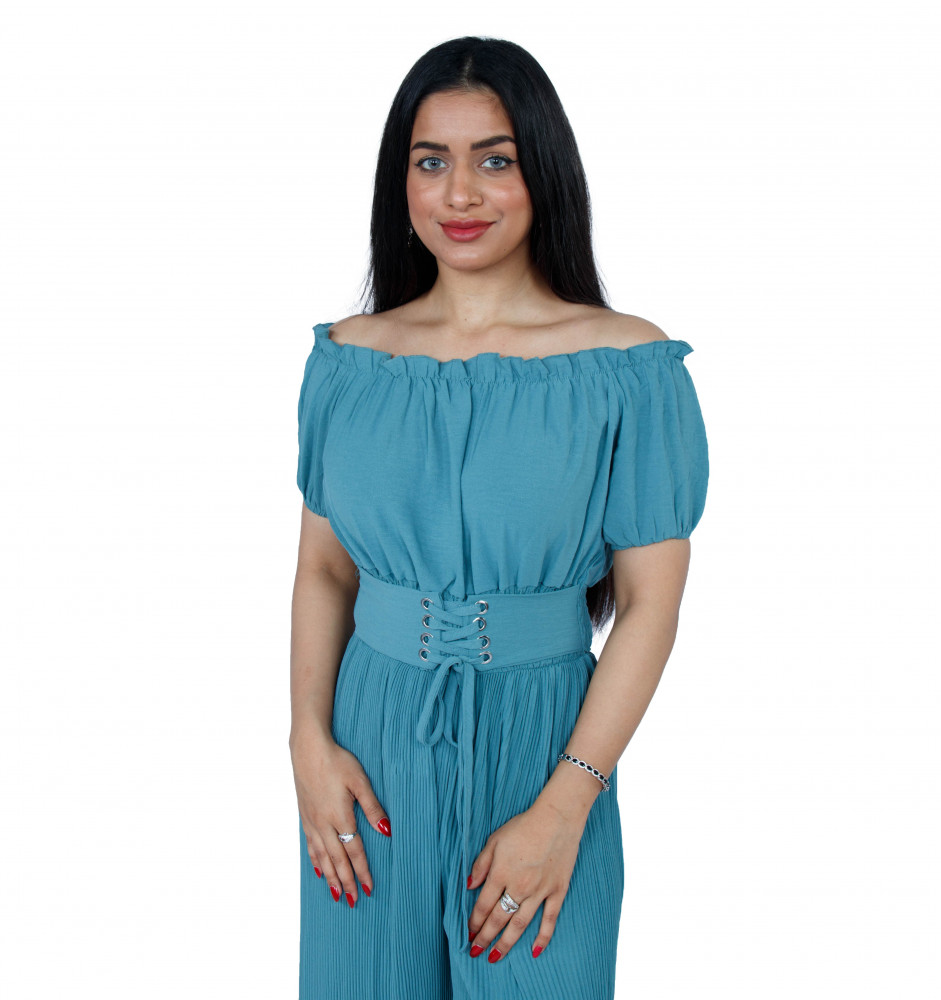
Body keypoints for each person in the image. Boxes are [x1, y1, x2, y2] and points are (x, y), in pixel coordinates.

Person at [290, 36, 709, 1000]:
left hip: (545, 744)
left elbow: (650, 605)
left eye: (494, 160)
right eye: (430, 161)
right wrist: (308, 742)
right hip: (368, 752)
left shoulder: (626, 366)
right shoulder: (347, 362)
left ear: (543, 173)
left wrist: (567, 806)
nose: (459, 193)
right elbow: (324, 569)